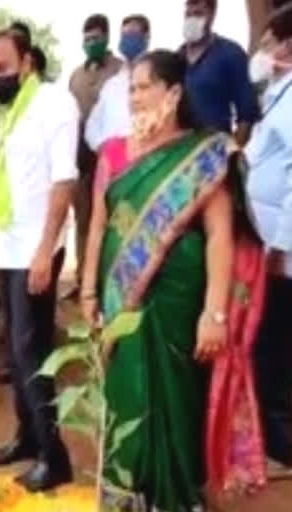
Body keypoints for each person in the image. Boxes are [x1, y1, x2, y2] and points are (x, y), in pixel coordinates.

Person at [81, 50, 267, 510]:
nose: (137, 97)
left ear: (175, 93)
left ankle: (178, 498)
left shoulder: (205, 155)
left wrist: (214, 313)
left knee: (176, 406)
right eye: (132, 89)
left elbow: (220, 237)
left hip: (179, 307)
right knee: (125, 399)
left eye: (146, 87)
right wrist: (87, 289)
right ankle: (126, 496)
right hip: (122, 302)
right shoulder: (115, 152)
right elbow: (99, 226)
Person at [0, 29, 77, 492]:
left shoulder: (53, 104)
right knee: (14, 353)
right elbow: (2, 183)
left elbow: (63, 182)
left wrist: (45, 251)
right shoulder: (8, 112)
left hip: (37, 249)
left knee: (32, 352)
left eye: (3, 68)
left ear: (27, 63)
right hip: (9, 246)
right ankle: (27, 437)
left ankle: (54, 456)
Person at [246, 4, 292, 473]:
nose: (262, 52)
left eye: (267, 43)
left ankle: (280, 447)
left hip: (283, 250)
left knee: (275, 346)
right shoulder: (279, 92)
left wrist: (281, 246)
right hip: (270, 241)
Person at [68, 14, 124, 299]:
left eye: (96, 38)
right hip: (81, 158)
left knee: (109, 219)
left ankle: (106, 281)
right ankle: (81, 279)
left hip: (111, 159)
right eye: (86, 38)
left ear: (107, 38)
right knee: (83, 219)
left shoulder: (120, 71)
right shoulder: (76, 76)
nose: (91, 43)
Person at [182, 0, 259, 145]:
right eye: (188, 14)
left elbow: (247, 114)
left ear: (212, 15)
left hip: (215, 149)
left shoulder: (230, 54)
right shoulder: (177, 58)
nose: (191, 19)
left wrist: (232, 155)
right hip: (180, 152)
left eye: (198, 14)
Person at [85, 15, 151, 152]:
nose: (127, 39)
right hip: (111, 163)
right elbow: (92, 126)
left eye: (132, 34)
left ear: (146, 37)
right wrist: (102, 147)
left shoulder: (157, 80)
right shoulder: (112, 85)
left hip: (145, 157)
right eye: (124, 35)